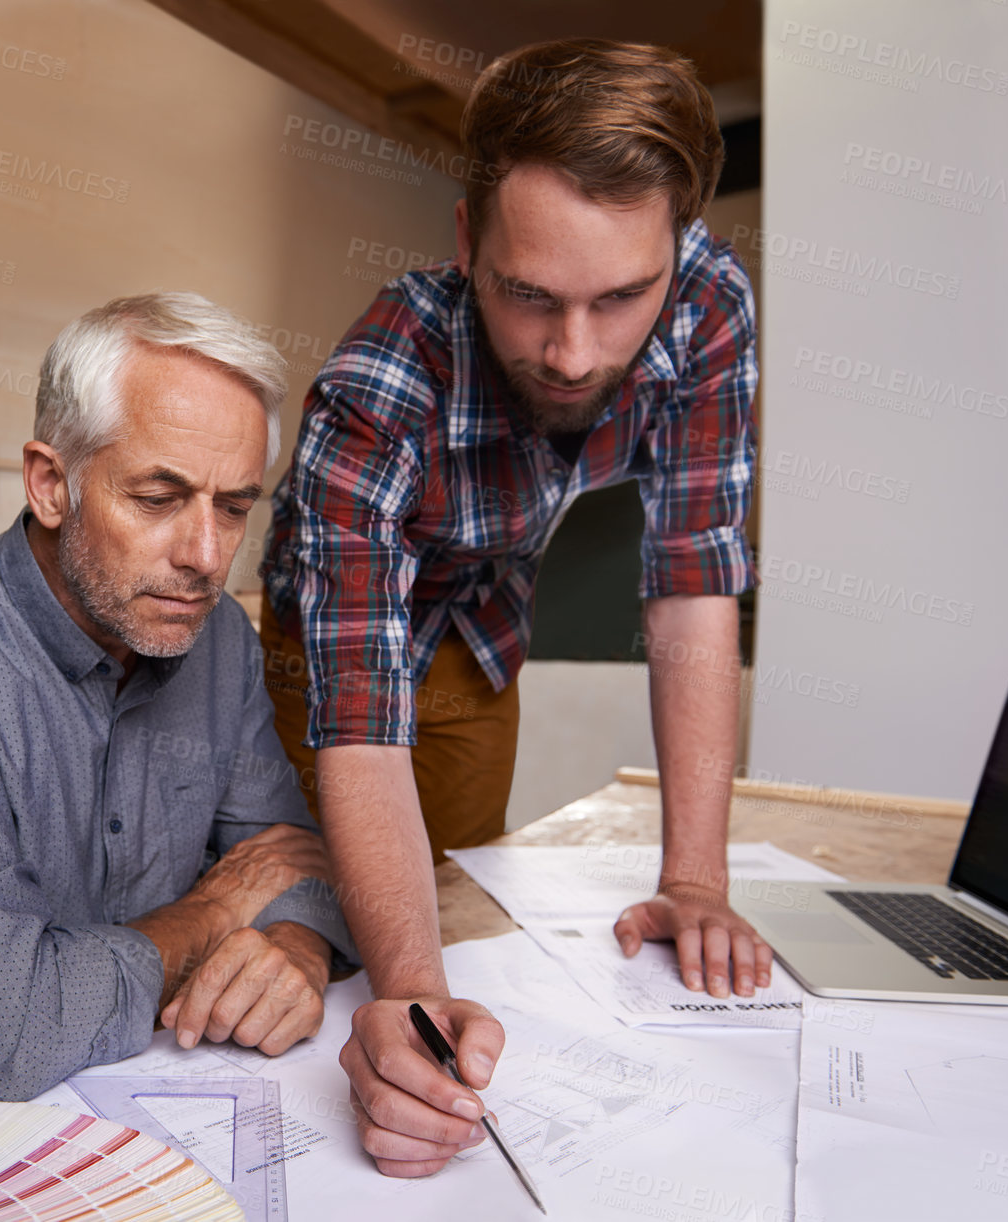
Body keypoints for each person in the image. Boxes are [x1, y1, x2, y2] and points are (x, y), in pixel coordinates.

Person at [259, 39, 771, 1175]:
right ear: (465, 245)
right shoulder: (377, 389)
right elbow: (361, 718)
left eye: (620, 296)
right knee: (326, 936)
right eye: (528, 295)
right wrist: (408, 1012)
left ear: (678, 253)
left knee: (459, 909)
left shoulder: (710, 308)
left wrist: (693, 881)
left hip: (486, 630)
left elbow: (692, 581)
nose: (572, 353)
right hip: (327, 644)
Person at [0, 292, 355, 1104]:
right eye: (157, 499)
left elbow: (292, 855)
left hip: (132, 1088)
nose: (205, 555)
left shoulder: (217, 635)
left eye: (233, 509)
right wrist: (225, 904)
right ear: (51, 484)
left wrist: (295, 948)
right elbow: (7, 1033)